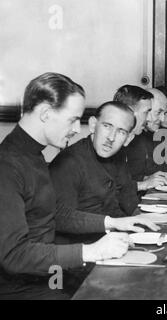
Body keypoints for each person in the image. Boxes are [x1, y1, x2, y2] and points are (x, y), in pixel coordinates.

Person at [0, 73, 147, 299]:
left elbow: (55, 214)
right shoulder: (8, 165)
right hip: (25, 288)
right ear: (46, 113)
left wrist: (112, 223)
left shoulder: (32, 155)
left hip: (48, 278)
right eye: (73, 119)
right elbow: (13, 255)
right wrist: (90, 252)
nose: (78, 129)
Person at [49, 101, 159, 243]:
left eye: (121, 132)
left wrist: (140, 222)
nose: (111, 138)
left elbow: (124, 200)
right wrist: (113, 223)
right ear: (93, 125)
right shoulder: (69, 162)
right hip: (80, 252)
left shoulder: (118, 156)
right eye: (107, 126)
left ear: (128, 139)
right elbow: (59, 218)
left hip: (111, 240)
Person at [124, 88, 167, 184]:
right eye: (159, 112)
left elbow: (137, 174)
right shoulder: (131, 136)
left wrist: (145, 180)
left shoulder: (142, 134)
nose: (162, 118)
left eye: (164, 113)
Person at [114, 86, 167, 190]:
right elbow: (105, 189)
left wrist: (146, 179)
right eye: (146, 112)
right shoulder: (113, 140)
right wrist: (143, 184)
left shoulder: (133, 137)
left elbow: (127, 177)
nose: (148, 118)